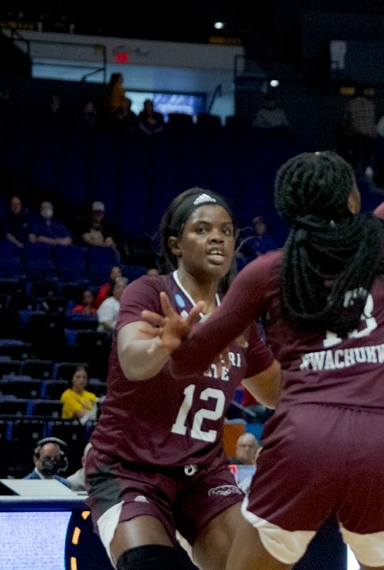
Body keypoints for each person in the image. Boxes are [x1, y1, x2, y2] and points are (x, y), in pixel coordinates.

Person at [149, 12, 384, 570]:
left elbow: (188, 364)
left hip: (299, 440)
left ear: (289, 208)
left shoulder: (265, 270)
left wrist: (177, 341)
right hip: (380, 443)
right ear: (353, 201)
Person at [84, 187, 282, 570]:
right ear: (176, 244)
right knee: (149, 564)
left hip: (202, 476)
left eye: (226, 231)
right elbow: (132, 361)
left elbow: (275, 393)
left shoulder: (239, 320)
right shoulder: (150, 292)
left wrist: (325, 362)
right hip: (129, 468)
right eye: (202, 229)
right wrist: (164, 346)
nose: (217, 238)